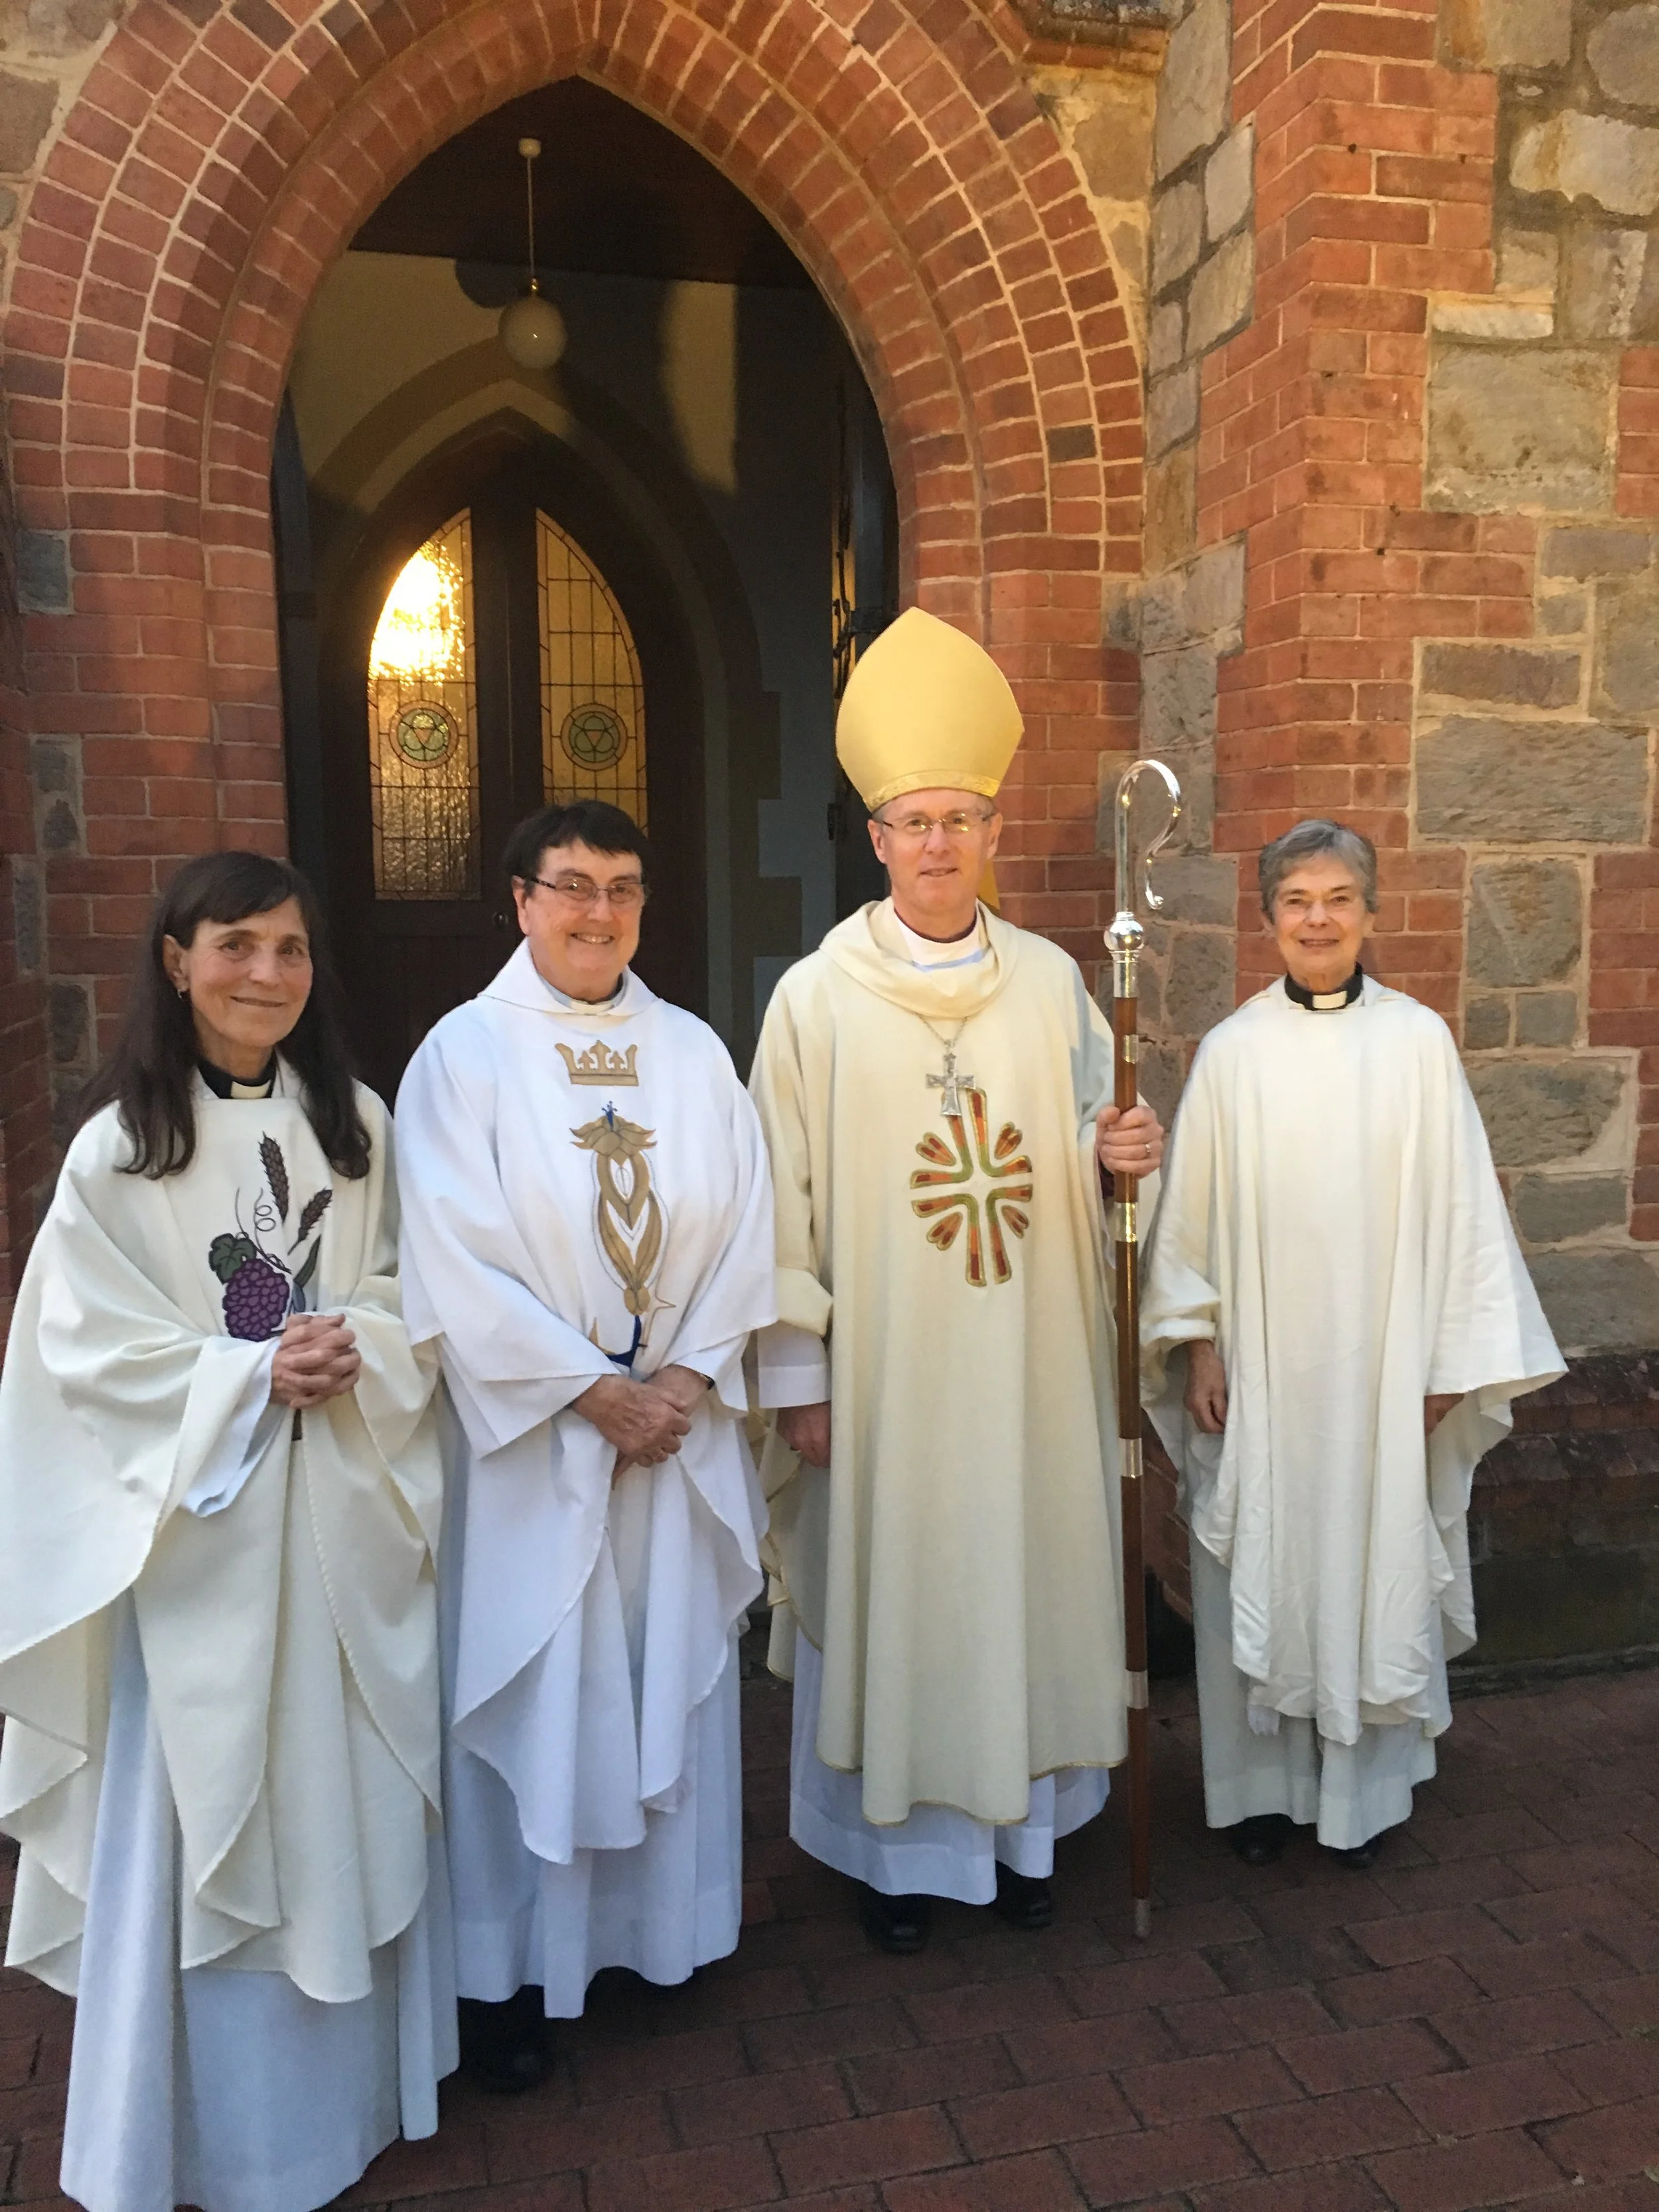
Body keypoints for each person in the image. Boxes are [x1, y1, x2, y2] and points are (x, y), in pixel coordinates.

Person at [0, 851, 453, 2212]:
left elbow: (398, 1289)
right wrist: (246, 1374)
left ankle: (343, 2110)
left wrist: (351, 1338)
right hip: (198, 1543)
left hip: (332, 1526)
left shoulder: (354, 1122)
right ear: (175, 959)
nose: (265, 973)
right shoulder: (119, 1150)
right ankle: (216, 2140)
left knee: (339, 1791)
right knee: (209, 1816)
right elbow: (81, 1353)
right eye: (235, 946)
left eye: (290, 950)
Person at [750, 606, 1165, 1953]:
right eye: (912, 820)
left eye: (960, 818)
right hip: (886, 1379)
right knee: (905, 1576)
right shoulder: (813, 1001)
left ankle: (1027, 1836)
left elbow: (1112, 1162)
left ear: (993, 832)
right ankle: (900, 1864)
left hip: (1031, 1365)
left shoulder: (1052, 986)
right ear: (874, 838)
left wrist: (1127, 1156)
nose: (936, 844)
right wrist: (797, 1375)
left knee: (1022, 1571)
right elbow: (780, 1195)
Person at [396, 798, 775, 2089]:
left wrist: (679, 1377)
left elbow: (747, 1234)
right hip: (536, 1451)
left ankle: (648, 1939)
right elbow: (451, 1254)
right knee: (541, 1679)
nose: (595, 910)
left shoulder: (690, 1050)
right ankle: (512, 1972)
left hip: (666, 1435)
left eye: (619, 886)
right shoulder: (463, 1057)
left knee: (651, 1661)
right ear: (518, 900)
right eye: (568, 884)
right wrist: (587, 1391)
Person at [1141, 818, 1563, 1869]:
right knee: (1273, 1552)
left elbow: (1466, 1219)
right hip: (1267, 1378)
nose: (1318, 919)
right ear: (1270, 920)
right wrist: (1199, 1349)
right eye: (1296, 902)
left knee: (1367, 1560)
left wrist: (1446, 1370)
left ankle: (1362, 1799)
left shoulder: (1417, 1044)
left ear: (1371, 914)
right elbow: (1187, 1221)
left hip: (1381, 1376)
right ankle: (1264, 1796)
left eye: (1338, 899)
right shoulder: (1234, 1055)